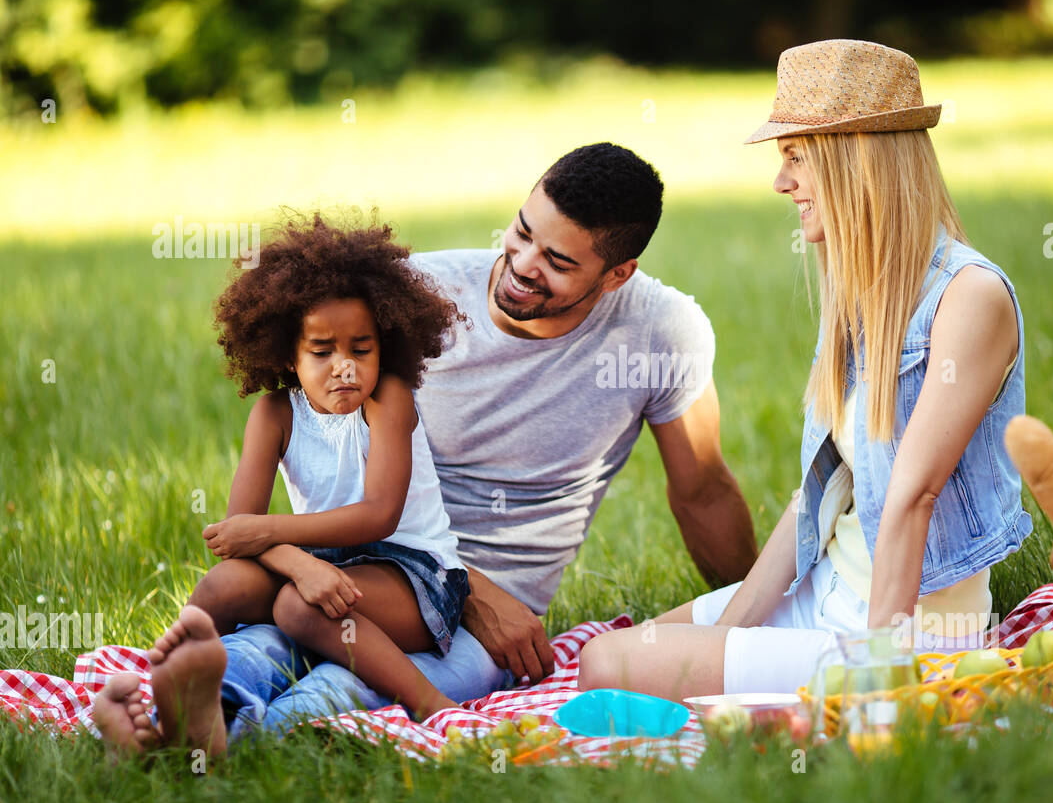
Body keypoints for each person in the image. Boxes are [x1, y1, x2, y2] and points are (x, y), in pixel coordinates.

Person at [95, 143, 758, 754]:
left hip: (485, 624)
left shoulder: (659, 333)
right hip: (352, 571)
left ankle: (233, 743)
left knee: (350, 687)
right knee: (276, 635)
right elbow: (308, 399)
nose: (524, 266)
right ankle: (171, 716)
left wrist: (758, 620)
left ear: (617, 274)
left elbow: (701, 488)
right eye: (523, 233)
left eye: (557, 261)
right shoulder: (414, 299)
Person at [578, 40, 1034, 700]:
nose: (781, 181)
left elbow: (913, 496)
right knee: (614, 659)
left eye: (796, 156)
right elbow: (816, 496)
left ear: (856, 158)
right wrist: (725, 640)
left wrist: (884, 675)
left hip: (903, 631)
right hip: (824, 592)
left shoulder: (970, 297)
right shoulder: (864, 292)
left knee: (605, 670)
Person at [94, 213, 473, 754]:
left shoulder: (388, 399)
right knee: (222, 586)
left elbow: (379, 515)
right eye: (322, 352)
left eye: (360, 349)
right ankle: (180, 702)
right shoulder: (274, 413)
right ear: (287, 357)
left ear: (382, 346)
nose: (344, 367)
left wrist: (278, 540)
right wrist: (298, 559)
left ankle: (433, 705)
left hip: (415, 576)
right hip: (322, 566)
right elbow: (235, 535)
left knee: (298, 609)